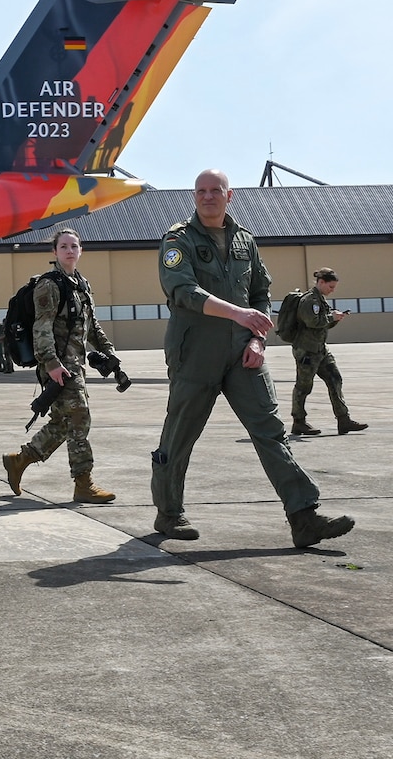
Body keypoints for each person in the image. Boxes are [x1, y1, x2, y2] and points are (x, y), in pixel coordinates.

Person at [149, 170, 356, 548]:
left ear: (230, 196)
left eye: (216, 191)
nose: (207, 197)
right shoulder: (178, 239)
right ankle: (169, 512)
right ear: (194, 197)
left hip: (243, 352)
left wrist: (258, 338)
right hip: (195, 352)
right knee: (180, 434)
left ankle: (303, 516)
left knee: (270, 430)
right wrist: (238, 314)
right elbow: (182, 290)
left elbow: (261, 293)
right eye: (201, 191)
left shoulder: (246, 240)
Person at [1, 228, 119, 505]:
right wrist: (51, 364)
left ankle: (19, 460)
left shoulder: (81, 284)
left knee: (63, 423)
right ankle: (83, 484)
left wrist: (109, 353)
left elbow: (91, 326)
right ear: (54, 252)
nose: (69, 250)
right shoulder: (49, 285)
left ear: (80, 251)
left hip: (75, 364)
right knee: (80, 417)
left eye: (74, 246)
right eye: (63, 246)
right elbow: (41, 328)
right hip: (57, 365)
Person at [290, 268, 368, 437]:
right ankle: (299, 422)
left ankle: (343, 420)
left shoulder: (321, 300)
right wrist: (331, 317)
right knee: (304, 386)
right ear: (321, 282)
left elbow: (322, 323)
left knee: (335, 379)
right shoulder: (310, 301)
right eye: (331, 286)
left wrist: (335, 318)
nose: (333, 290)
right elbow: (313, 322)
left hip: (320, 349)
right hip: (307, 350)